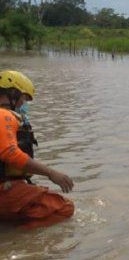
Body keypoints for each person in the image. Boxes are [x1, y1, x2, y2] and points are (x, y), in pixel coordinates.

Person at [0, 70, 74, 227]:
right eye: (23, 99)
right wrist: (51, 173)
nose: (24, 105)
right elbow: (10, 154)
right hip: (3, 189)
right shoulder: (4, 116)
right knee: (65, 208)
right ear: (12, 94)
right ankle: (22, 242)